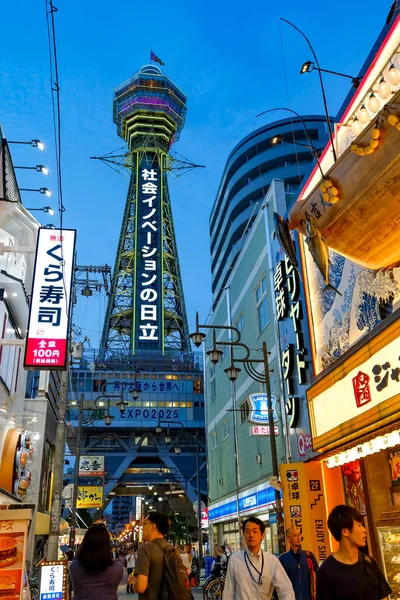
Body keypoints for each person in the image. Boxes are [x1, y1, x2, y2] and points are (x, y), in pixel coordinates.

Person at [316, 504, 392, 600]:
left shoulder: (370, 563)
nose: (364, 530)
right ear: (345, 531)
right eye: (359, 525)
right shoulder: (326, 571)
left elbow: (383, 596)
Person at [223, 516, 295, 600]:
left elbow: (285, 589)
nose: (251, 535)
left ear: (262, 535)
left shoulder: (272, 560)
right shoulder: (234, 559)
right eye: (247, 531)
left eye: (255, 531)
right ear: (243, 535)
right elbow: (229, 592)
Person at [69, 524, 123, 600]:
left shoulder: (74, 567)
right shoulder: (117, 568)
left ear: (85, 543)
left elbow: (78, 556)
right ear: (107, 545)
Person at [132, 512, 171, 599]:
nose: (142, 528)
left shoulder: (146, 548)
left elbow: (140, 587)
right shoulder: (172, 549)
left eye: (144, 524)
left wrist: (133, 582)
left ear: (153, 527)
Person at [279, 527, 318, 600]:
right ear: (288, 539)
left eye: (299, 535)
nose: (298, 537)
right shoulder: (283, 559)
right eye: (294, 535)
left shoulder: (309, 556)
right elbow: (279, 583)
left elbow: (317, 575)